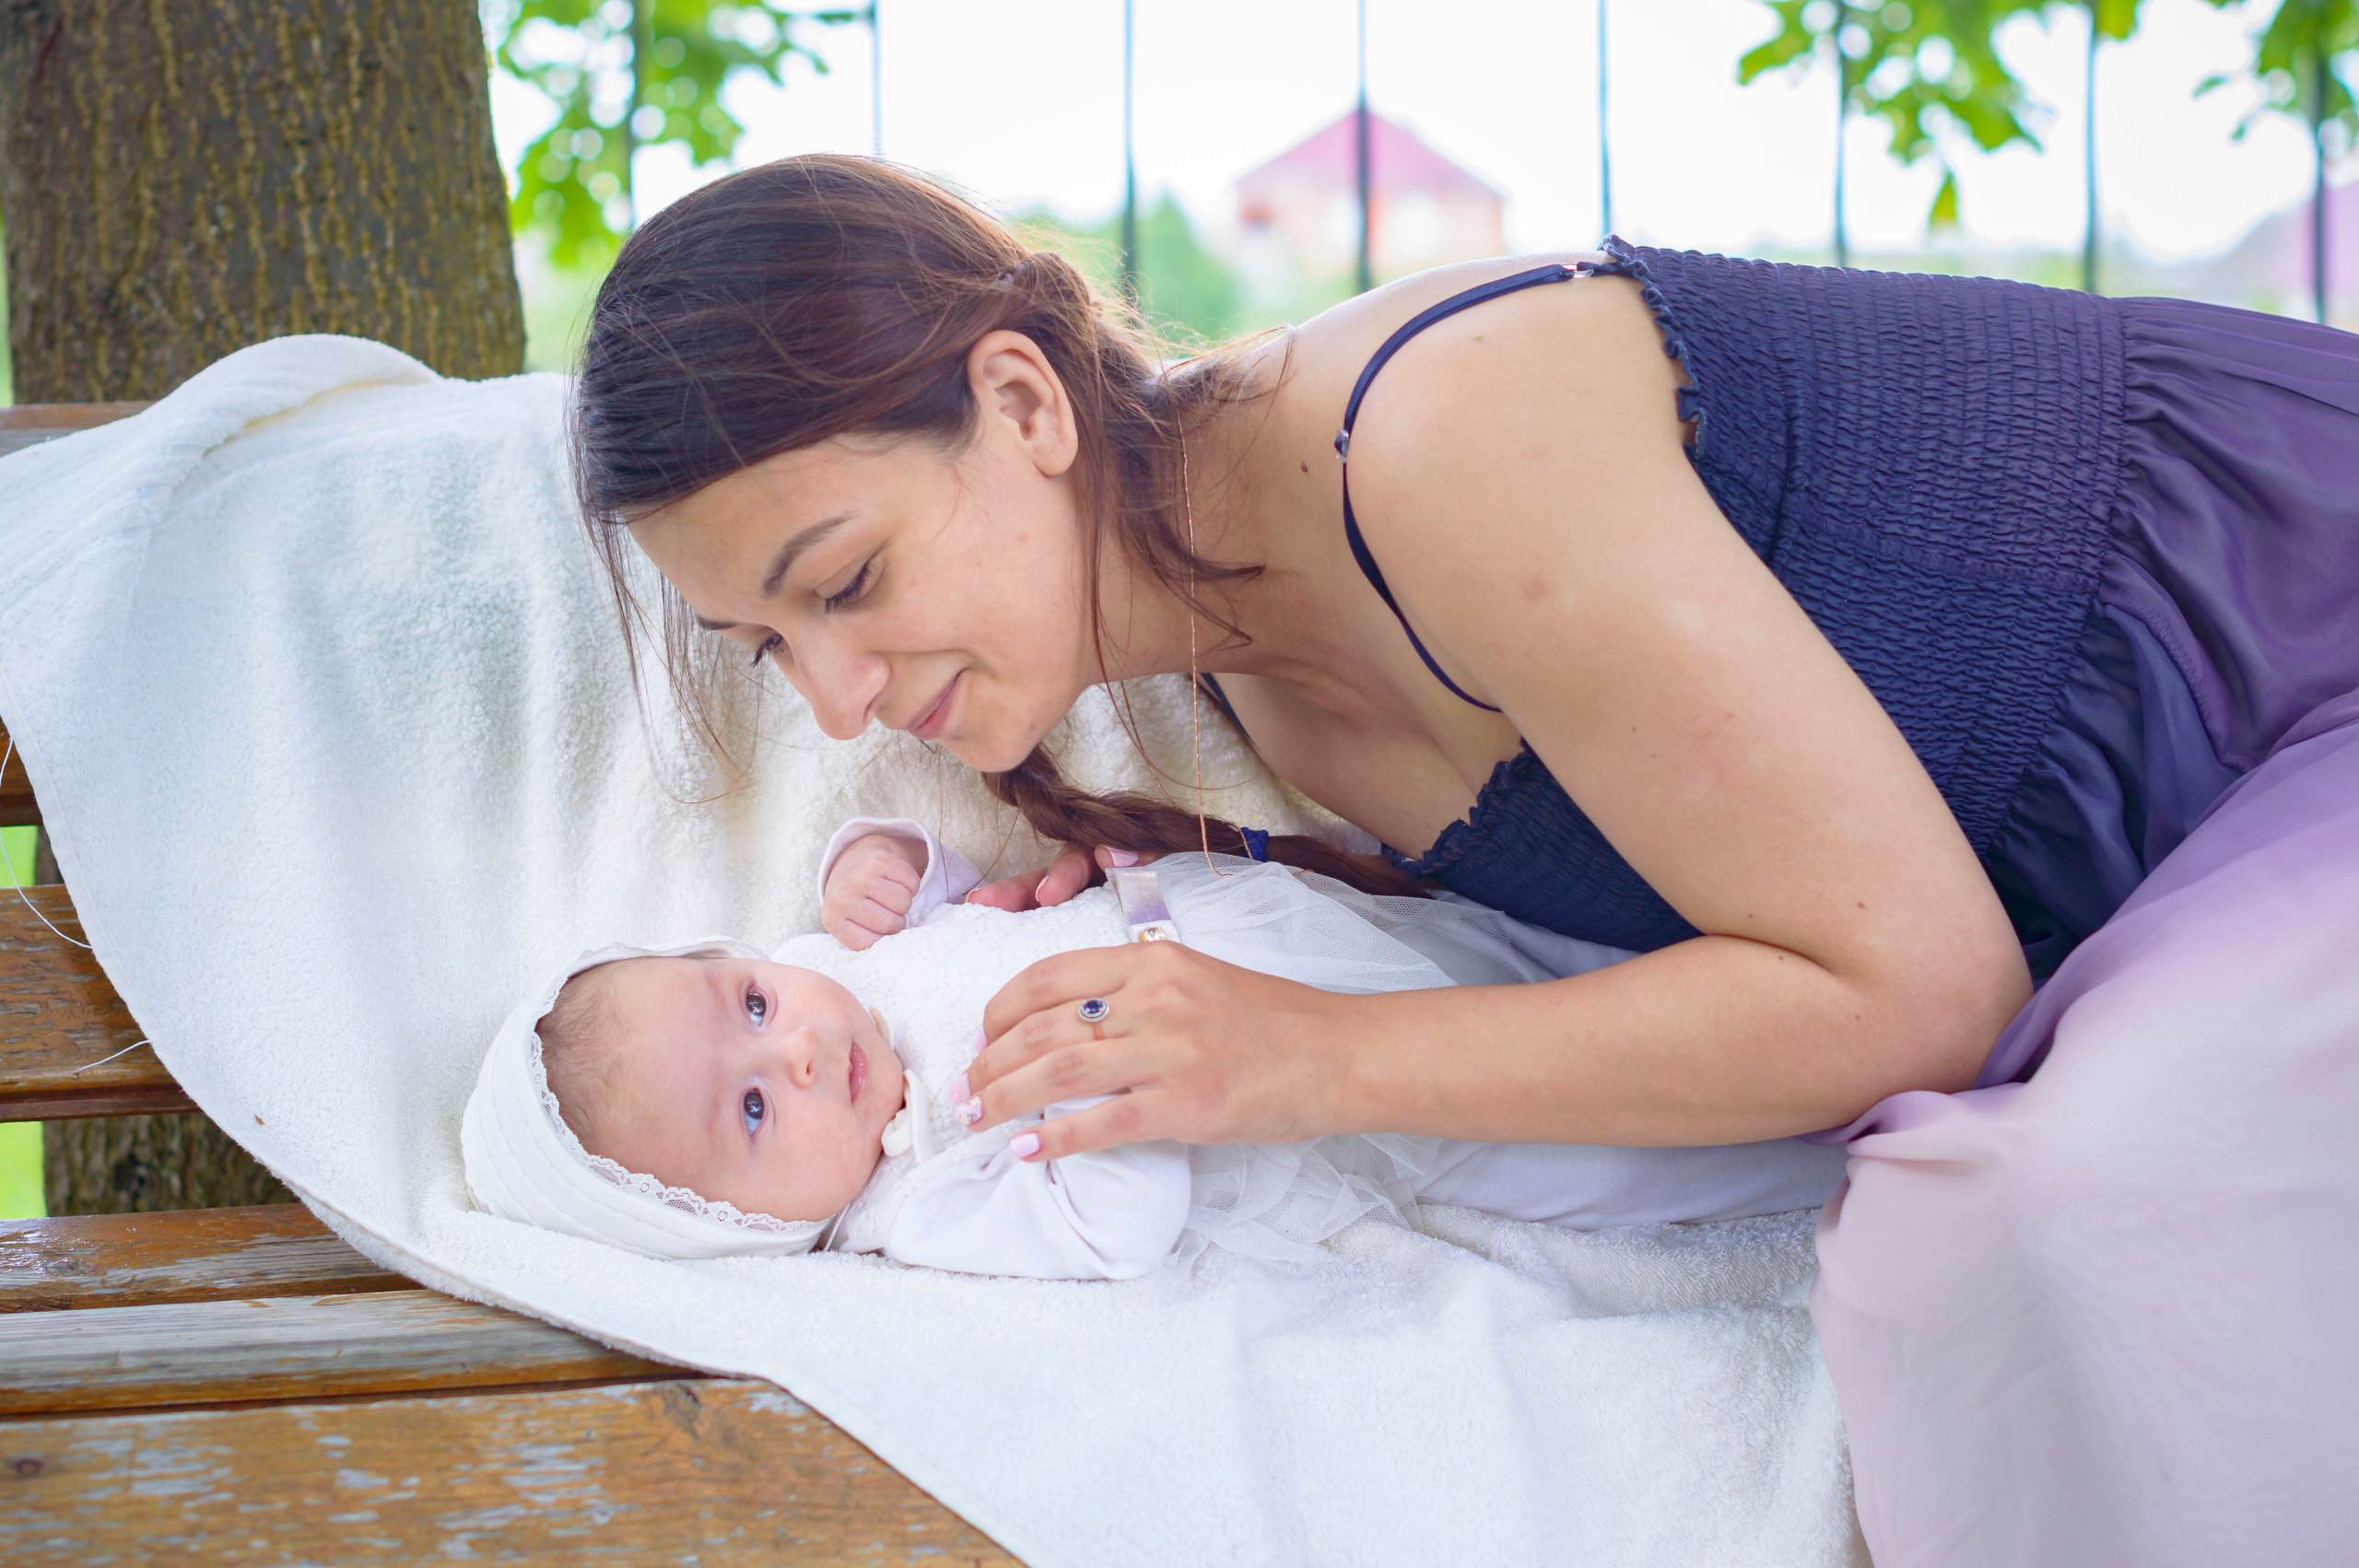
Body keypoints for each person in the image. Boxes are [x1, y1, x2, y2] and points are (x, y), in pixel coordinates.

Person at [566, 154, 2359, 1561]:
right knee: (1947, 1273)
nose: (837, 699)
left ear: (1025, 403)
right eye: (764, 645)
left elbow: (1919, 988)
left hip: (2289, 644)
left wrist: (1294, 1051)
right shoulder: (1261, 713)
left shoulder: (1421, 447)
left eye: (847, 582)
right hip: (2150, 881)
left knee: (2049, 1228)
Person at [460, 817, 1845, 1277]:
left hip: (1316, 921)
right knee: (1628, 1141)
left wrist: (885, 859)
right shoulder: (919, 1200)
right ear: (738, 1230)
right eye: (753, 1116)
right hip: (1390, 1109)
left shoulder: (840, 973)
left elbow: (951, 886)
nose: (802, 1057)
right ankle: (1826, 1135)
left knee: (1596, 953)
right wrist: (1130, 1098)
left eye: (750, 1005)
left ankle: (1838, 971)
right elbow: (1115, 1227)